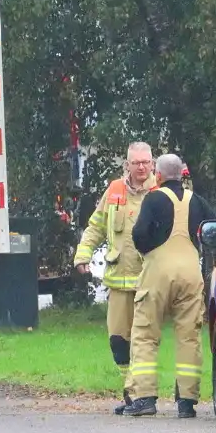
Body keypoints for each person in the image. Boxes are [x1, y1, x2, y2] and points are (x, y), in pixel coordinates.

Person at [124, 153, 216, 418]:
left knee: (145, 334)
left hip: (158, 272)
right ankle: (187, 402)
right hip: (191, 274)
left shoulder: (153, 199)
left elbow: (139, 234)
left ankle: (145, 399)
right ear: (183, 174)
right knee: (189, 336)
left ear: (160, 175)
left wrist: (150, 251)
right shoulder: (197, 201)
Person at [72, 141, 158, 415]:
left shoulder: (161, 193)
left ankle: (145, 397)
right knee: (119, 341)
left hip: (150, 280)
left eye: (146, 162)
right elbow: (96, 225)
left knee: (144, 341)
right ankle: (132, 394)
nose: (142, 167)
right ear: (127, 165)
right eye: (137, 163)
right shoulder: (115, 190)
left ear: (153, 164)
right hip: (120, 281)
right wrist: (82, 255)